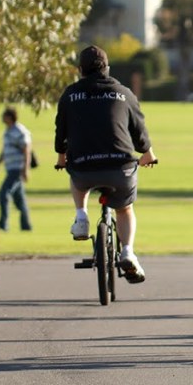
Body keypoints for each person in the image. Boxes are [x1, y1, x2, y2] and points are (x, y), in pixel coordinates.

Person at [55, 45, 158, 283]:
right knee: (124, 208)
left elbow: (61, 130)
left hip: (83, 167)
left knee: (77, 178)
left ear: (80, 70)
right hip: (120, 168)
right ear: (107, 68)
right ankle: (128, 252)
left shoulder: (70, 95)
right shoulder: (123, 93)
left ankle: (81, 217)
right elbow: (139, 130)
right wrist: (148, 155)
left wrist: (61, 159)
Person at [0, 106, 33, 232]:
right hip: (10, 168)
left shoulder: (19, 130)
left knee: (4, 194)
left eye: (4, 115)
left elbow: (26, 150)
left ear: (9, 117)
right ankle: (26, 226)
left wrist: (25, 169)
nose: (2, 118)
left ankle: (3, 225)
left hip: (17, 169)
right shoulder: (7, 131)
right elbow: (5, 149)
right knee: (19, 200)